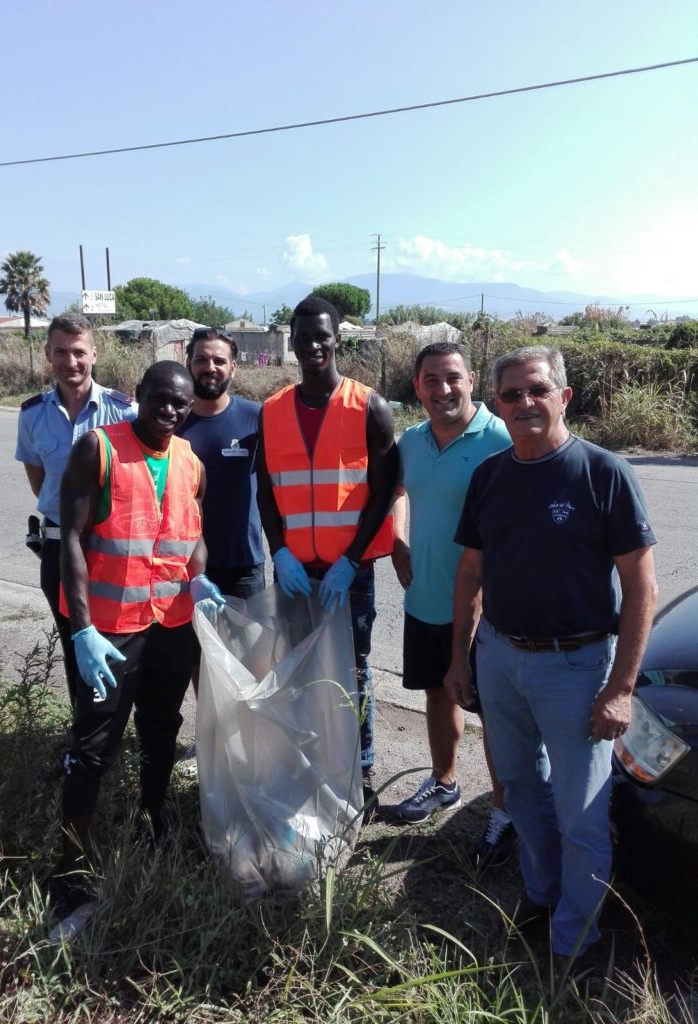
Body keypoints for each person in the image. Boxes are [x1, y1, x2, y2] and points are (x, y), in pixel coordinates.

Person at [444, 345, 658, 959]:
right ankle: (542, 895)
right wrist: (461, 657)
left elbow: (642, 585)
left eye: (537, 390)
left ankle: (575, 943)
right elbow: (470, 574)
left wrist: (620, 687)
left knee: (581, 810)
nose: (524, 403)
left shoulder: (602, 472)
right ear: (497, 405)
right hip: (501, 656)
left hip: (577, 665)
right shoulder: (490, 476)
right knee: (518, 786)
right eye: (510, 395)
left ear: (563, 397)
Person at [49, 360, 223, 925]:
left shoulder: (191, 461)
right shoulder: (97, 449)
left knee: (160, 728)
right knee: (93, 747)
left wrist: (200, 578)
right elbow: (69, 542)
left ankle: (153, 817)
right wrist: (81, 630)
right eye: (159, 400)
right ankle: (69, 873)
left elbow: (191, 534)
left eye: (181, 402)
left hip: (170, 627)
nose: (170, 411)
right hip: (109, 631)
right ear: (138, 397)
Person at [257, 295, 398, 811]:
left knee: (354, 671)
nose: (313, 345)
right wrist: (280, 552)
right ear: (291, 342)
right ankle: (309, 764)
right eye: (303, 336)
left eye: (322, 335)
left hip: (348, 572)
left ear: (338, 339)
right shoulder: (272, 411)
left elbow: (384, 491)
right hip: (295, 570)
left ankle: (360, 773)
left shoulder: (369, 406)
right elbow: (265, 491)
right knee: (299, 669)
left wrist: (352, 558)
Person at [391, 341, 516, 869]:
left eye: (453, 378)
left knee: (495, 715)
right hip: (425, 599)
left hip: (485, 609)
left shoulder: (501, 439)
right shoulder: (411, 441)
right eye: (431, 380)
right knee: (439, 696)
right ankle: (443, 783)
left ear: (472, 381)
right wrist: (397, 540)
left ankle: (505, 813)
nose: (443, 389)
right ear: (416, 387)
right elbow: (398, 489)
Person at [15, 314, 136, 705]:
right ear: (48, 354)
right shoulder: (32, 415)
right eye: (61, 352)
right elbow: (41, 484)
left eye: (79, 352)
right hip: (58, 548)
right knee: (75, 642)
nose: (71, 361)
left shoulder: (124, 412)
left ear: (94, 354)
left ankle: (114, 728)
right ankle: (85, 728)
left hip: (111, 549)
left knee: (119, 638)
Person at [177, 327, 264, 601]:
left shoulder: (257, 418)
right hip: (181, 566)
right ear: (188, 363)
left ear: (234, 367)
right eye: (201, 360)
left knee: (244, 646)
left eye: (219, 361)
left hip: (244, 567)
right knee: (187, 646)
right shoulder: (171, 422)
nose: (210, 367)